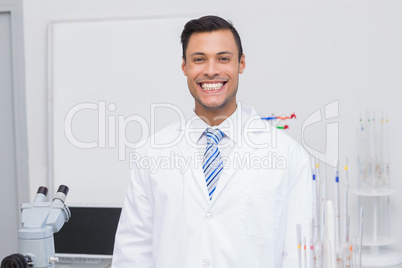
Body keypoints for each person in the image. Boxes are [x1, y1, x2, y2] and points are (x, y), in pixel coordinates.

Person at [112, 15, 312, 267]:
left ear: (241, 63)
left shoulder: (289, 156)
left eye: (223, 58)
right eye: (199, 59)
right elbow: (133, 254)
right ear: (184, 67)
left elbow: (298, 257)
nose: (211, 70)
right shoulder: (151, 153)